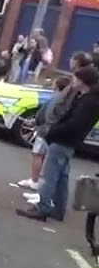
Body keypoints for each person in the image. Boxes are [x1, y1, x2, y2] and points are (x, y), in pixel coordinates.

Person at [16, 65, 99, 221]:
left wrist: (52, 132)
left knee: (50, 176)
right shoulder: (86, 97)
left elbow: (74, 123)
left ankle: (42, 208)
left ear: (83, 81)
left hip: (64, 139)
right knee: (62, 177)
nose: (73, 80)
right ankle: (59, 209)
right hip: (69, 140)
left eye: (76, 78)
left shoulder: (89, 101)